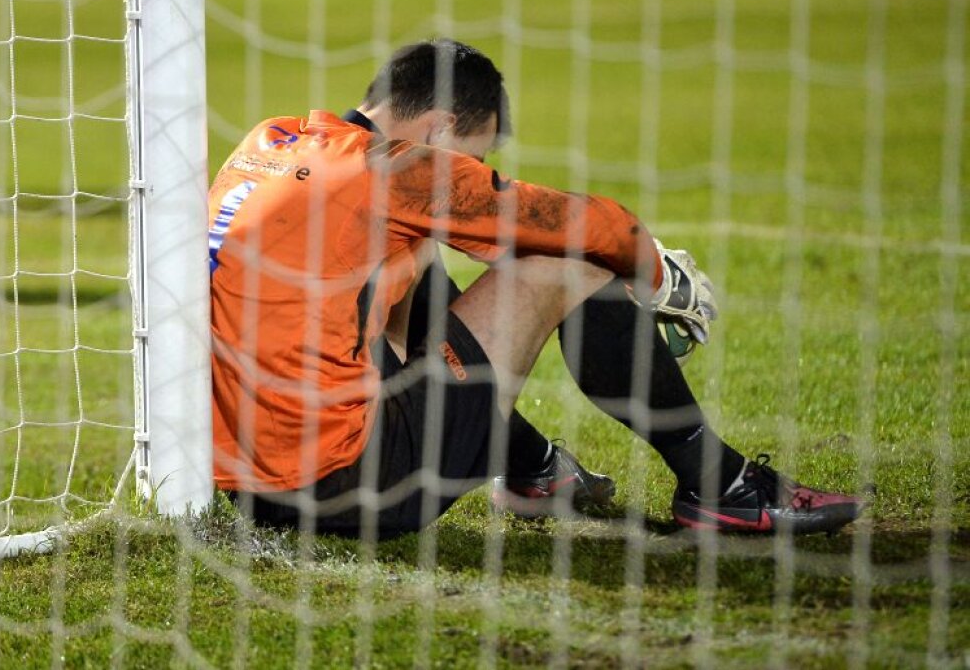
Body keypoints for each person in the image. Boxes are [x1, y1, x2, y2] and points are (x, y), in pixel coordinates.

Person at [208, 38, 866, 540]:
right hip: (347, 483)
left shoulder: (270, 140)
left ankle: (532, 465)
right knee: (569, 267)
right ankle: (723, 486)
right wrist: (659, 271)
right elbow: (590, 225)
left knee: (406, 264)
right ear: (436, 130)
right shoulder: (392, 169)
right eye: (474, 156)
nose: (473, 171)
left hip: (238, 482)